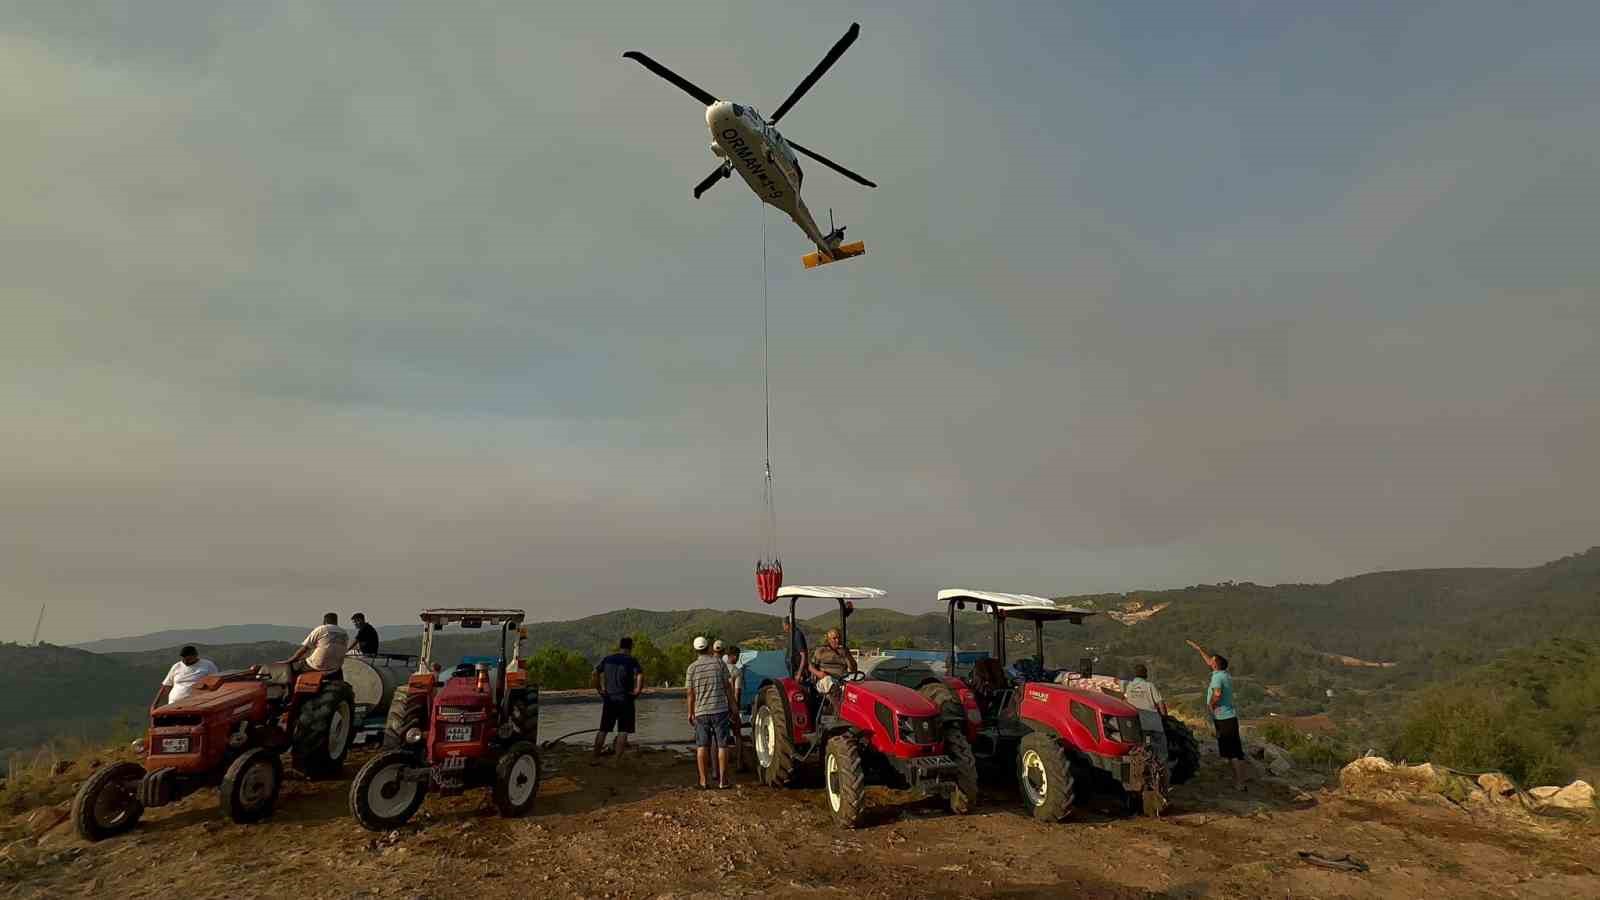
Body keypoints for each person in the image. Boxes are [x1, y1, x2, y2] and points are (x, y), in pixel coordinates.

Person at [1187, 639, 1246, 791]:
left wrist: (1211, 704)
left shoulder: (1217, 677)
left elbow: (1217, 694)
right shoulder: (1223, 673)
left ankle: (1240, 782)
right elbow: (1210, 661)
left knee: (1233, 752)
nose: (1209, 661)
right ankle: (1237, 780)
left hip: (1224, 718)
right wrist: (1199, 649)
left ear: (1215, 665)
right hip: (1227, 717)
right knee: (1231, 751)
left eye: (1212, 661)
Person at [685, 636, 736, 790]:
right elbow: (728, 688)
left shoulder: (692, 668)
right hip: (720, 710)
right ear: (708, 648)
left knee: (702, 746)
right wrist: (733, 706)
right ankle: (723, 781)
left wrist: (690, 712)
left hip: (701, 712)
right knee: (722, 745)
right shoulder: (719, 663)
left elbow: (690, 693)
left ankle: (703, 781)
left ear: (696, 650)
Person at [591, 636, 644, 762]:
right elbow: (640, 674)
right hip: (626, 698)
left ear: (620, 646)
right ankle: (616, 760)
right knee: (623, 731)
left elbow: (595, 673)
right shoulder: (631, 660)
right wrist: (637, 691)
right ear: (631, 647)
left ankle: (594, 757)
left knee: (603, 729)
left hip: (609, 698)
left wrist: (599, 689)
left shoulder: (608, 659)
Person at [1123, 663, 1169, 767]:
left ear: (1134, 675)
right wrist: (1165, 718)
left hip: (1138, 726)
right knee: (1160, 748)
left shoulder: (1129, 687)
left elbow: (1125, 702)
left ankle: (1145, 766)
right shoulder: (1149, 686)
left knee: (1146, 744)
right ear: (1145, 674)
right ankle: (1161, 770)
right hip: (1152, 725)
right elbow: (1160, 703)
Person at [282, 613, 349, 674]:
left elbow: (304, 649)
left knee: (295, 668)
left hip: (317, 665)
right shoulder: (344, 633)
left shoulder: (321, 629)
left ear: (324, 621)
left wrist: (290, 660)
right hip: (335, 667)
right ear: (336, 622)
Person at [808, 628, 858, 699]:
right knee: (828, 682)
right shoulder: (821, 651)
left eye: (838, 638)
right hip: (825, 680)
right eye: (834, 638)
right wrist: (818, 673)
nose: (837, 640)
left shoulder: (844, 651)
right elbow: (810, 666)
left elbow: (854, 669)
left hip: (842, 679)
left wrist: (847, 655)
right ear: (828, 640)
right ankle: (837, 707)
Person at [721, 643, 747, 773]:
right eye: (738, 656)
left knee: (721, 737)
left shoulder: (720, 669)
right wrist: (735, 710)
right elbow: (737, 693)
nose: (738, 659)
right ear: (733, 656)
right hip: (732, 707)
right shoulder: (737, 671)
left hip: (720, 707)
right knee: (738, 735)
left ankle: (720, 765)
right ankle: (739, 763)